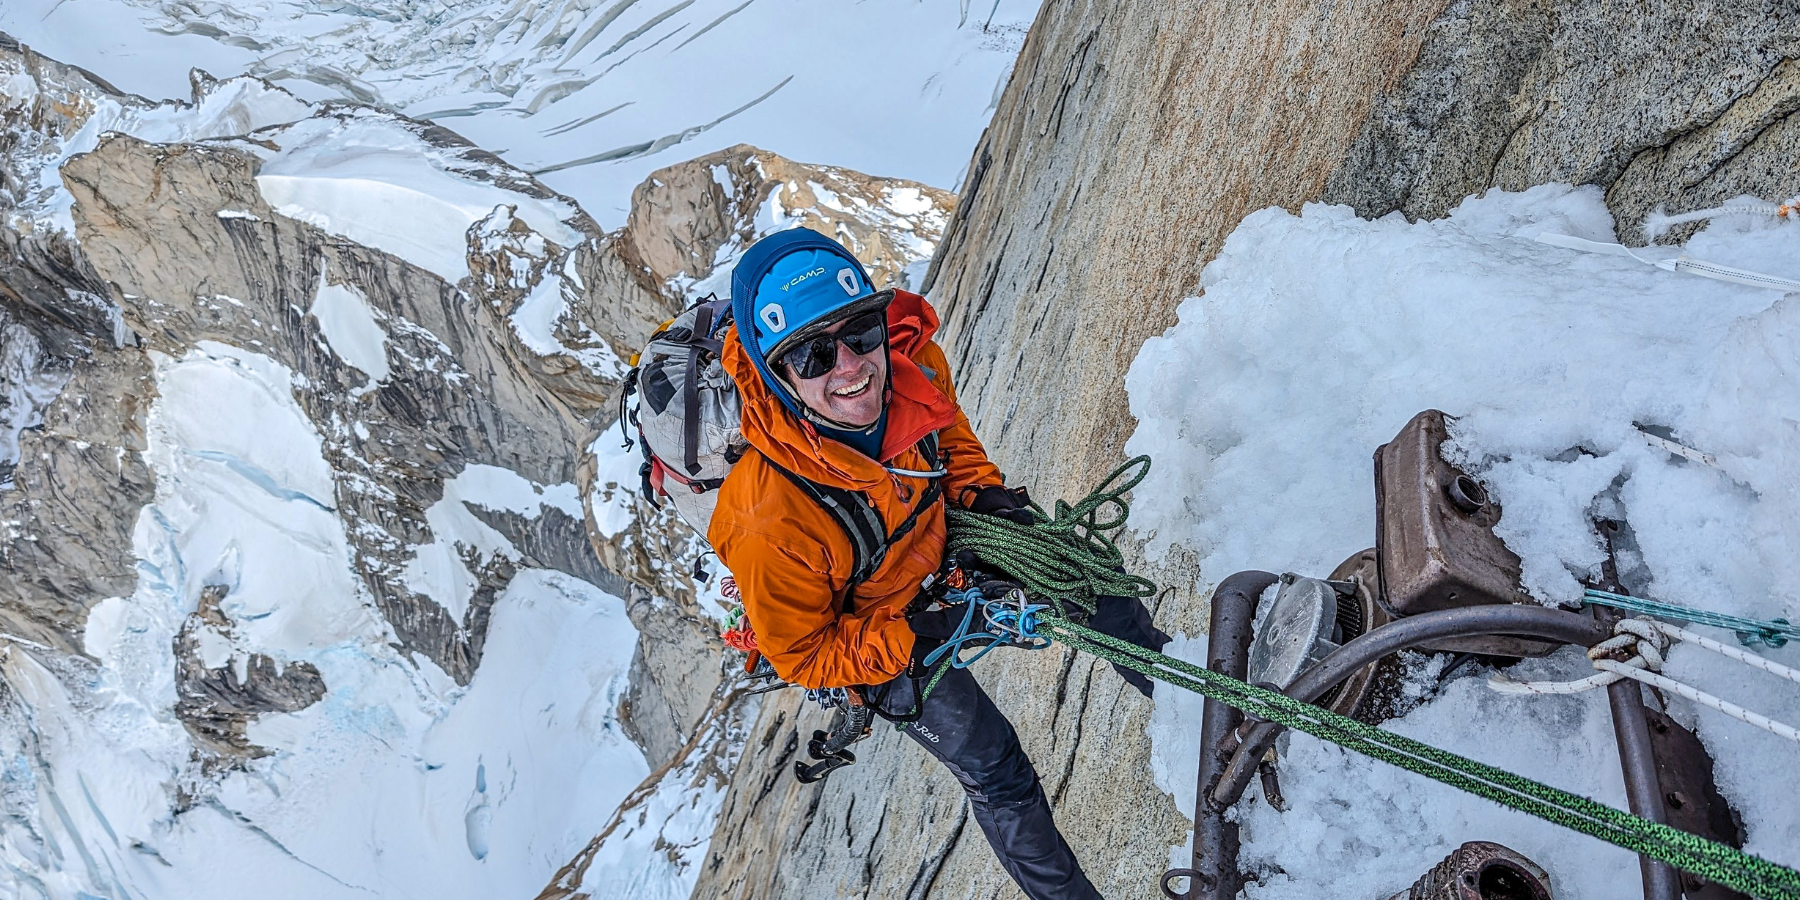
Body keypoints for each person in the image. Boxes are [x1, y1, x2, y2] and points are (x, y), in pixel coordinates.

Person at [709, 228, 1168, 900]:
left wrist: (988, 500)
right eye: (811, 354)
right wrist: (911, 638)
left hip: (937, 548)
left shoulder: (910, 363)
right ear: (776, 375)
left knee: (1100, 594)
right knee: (996, 766)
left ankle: (1212, 709)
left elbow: (951, 451)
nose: (849, 367)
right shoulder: (768, 517)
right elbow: (804, 655)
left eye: (860, 331)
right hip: (874, 631)